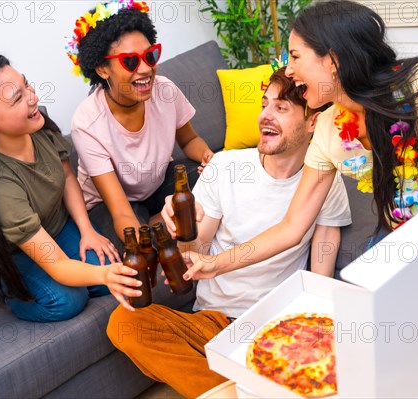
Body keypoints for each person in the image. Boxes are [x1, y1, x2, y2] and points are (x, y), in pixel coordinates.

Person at [183, 0, 418, 390]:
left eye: (295, 55)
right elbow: (292, 227)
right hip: (403, 248)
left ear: (334, 60)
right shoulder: (326, 128)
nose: (288, 69)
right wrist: (217, 263)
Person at [105, 67, 352, 398]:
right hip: (214, 323)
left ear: (312, 123)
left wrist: (321, 339)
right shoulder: (225, 166)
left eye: (281, 108)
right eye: (264, 104)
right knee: (124, 323)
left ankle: (244, 384)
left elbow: (321, 280)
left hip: (277, 326)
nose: (265, 116)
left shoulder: (325, 182)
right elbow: (197, 255)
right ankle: (251, 388)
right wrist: (183, 228)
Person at [0, 47, 147, 322]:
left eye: (26, 84)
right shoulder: (0, 183)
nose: (32, 98)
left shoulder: (37, 127)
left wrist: (87, 230)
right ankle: (10, 289)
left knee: (111, 267)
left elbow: (68, 178)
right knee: (68, 300)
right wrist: (101, 274)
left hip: (58, 228)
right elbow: (60, 264)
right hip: (21, 251)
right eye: (17, 99)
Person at [66, 0, 214, 255]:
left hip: (156, 184)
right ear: (102, 69)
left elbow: (189, 141)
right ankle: (171, 220)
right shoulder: (87, 123)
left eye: (150, 55)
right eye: (130, 62)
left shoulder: (165, 90)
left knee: (216, 184)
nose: (146, 68)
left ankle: (171, 218)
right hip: (111, 203)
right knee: (133, 242)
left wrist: (209, 158)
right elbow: (121, 211)